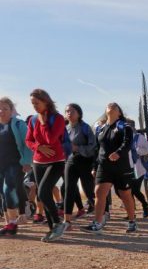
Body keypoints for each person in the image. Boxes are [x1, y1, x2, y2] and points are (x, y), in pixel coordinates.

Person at [82, 103, 138, 234]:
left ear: (119, 113)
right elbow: (97, 149)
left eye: (115, 106)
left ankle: (132, 221)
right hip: (104, 166)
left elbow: (127, 144)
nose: (111, 106)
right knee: (99, 192)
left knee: (125, 195)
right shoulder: (100, 129)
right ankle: (97, 223)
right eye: (109, 105)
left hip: (120, 167)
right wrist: (94, 166)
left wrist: (118, 152)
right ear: (105, 111)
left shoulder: (125, 127)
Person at [25, 89, 68, 242]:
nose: (34, 106)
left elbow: (51, 139)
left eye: (37, 103)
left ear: (46, 101)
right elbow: (28, 140)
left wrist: (43, 122)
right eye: (32, 104)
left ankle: (57, 223)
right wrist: (38, 147)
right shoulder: (32, 120)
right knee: (43, 194)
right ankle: (52, 230)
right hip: (38, 162)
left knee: (43, 192)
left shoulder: (58, 119)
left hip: (56, 161)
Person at [0, 98, 33, 236]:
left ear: (11, 110)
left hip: (15, 163)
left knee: (9, 190)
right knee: (2, 193)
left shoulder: (18, 124)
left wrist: (26, 161)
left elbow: (28, 144)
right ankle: (9, 223)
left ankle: (13, 223)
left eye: (5, 108)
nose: (1, 111)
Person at [62, 103, 97, 225]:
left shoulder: (85, 127)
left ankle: (101, 213)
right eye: (67, 111)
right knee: (68, 189)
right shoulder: (65, 128)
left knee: (88, 190)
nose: (69, 113)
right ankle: (67, 221)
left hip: (84, 161)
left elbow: (93, 146)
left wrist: (78, 148)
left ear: (79, 113)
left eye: (72, 111)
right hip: (70, 161)